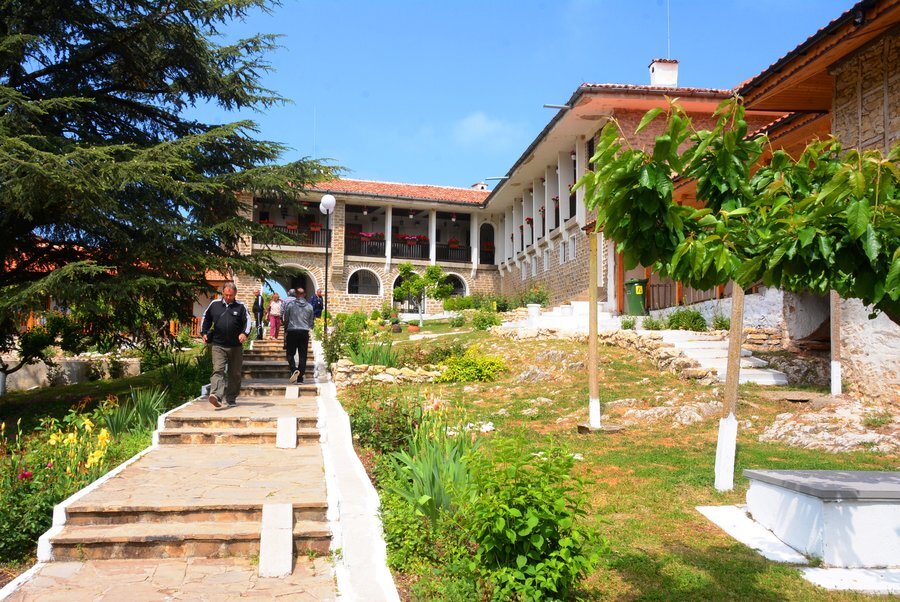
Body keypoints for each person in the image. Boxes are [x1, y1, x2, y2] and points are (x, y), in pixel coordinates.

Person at [200, 282, 250, 408]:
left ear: (235, 294)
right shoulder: (214, 304)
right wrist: (204, 333)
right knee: (218, 369)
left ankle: (231, 398)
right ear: (223, 292)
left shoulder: (241, 307)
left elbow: (248, 321)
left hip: (235, 346)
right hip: (218, 345)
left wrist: (244, 333)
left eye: (231, 295)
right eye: (226, 295)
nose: (228, 297)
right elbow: (206, 318)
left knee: (235, 373)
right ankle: (216, 395)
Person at [282, 287, 314, 383]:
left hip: (292, 331)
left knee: (290, 353)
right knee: (303, 355)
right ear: (304, 294)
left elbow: (286, 318)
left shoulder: (290, 305)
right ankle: (300, 378)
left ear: (296, 294)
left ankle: (294, 369)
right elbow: (311, 322)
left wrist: (287, 327)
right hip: (304, 332)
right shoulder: (309, 306)